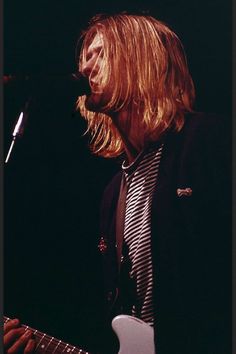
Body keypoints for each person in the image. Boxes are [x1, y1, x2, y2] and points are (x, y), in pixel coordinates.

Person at [4, 13, 231, 354]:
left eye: (100, 54)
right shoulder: (114, 194)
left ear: (141, 58)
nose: (86, 68)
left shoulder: (211, 141)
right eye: (85, 57)